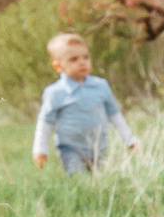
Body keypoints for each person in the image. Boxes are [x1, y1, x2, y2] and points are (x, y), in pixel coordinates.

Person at [31, 32, 139, 174]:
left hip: (98, 147)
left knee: (98, 182)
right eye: (73, 59)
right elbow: (45, 122)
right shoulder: (55, 92)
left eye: (86, 57)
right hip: (70, 148)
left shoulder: (101, 86)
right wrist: (40, 149)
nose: (82, 62)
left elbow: (114, 115)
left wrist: (130, 140)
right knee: (78, 178)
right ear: (58, 66)